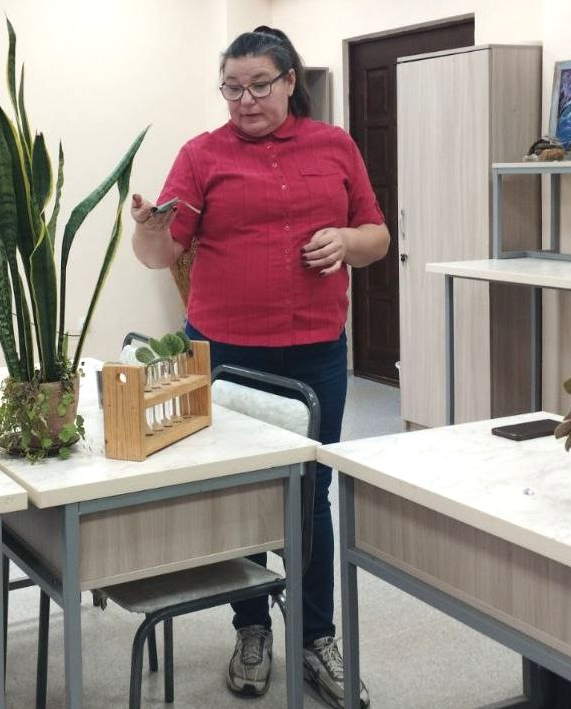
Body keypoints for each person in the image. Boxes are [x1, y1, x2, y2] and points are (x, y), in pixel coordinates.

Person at [130, 26, 388, 709]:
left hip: (315, 352)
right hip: (227, 355)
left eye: (259, 85)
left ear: (290, 81)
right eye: (232, 88)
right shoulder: (201, 155)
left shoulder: (334, 145)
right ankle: (251, 629)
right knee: (243, 491)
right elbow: (160, 253)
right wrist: (149, 228)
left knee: (311, 491)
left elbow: (377, 236)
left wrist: (347, 240)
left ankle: (315, 635)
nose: (244, 100)